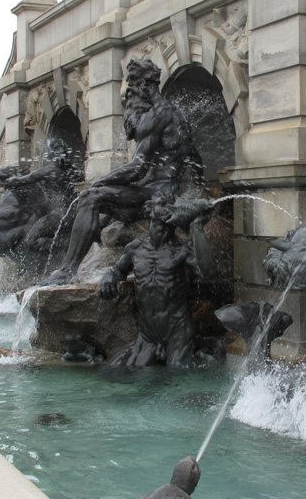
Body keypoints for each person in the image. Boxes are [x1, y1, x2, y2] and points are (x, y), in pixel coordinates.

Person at [40, 59, 202, 285]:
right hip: (160, 190)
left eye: (133, 84)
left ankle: (69, 270)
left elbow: (137, 168)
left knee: (90, 198)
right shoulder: (174, 113)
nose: (130, 91)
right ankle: (94, 261)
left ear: (146, 84)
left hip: (157, 193)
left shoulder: (158, 115)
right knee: (102, 211)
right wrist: (196, 187)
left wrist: (99, 183)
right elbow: (195, 157)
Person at [99, 197, 215, 367]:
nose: (167, 208)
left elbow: (209, 272)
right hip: (147, 333)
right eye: (162, 203)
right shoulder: (135, 248)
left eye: (171, 205)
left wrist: (197, 228)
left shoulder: (184, 249)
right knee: (128, 372)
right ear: (150, 212)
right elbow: (118, 270)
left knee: (178, 375)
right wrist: (109, 275)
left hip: (177, 329)